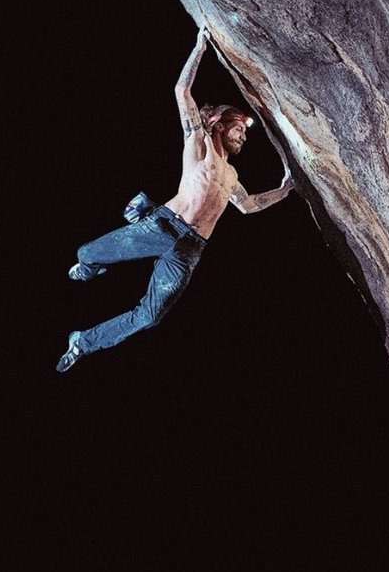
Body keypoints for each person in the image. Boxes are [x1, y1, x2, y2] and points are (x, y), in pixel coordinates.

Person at [57, 29, 293, 372]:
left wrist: (285, 189)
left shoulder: (232, 177)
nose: (243, 136)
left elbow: (249, 205)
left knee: (150, 316)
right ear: (219, 124)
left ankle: (82, 342)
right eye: (238, 129)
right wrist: (200, 47)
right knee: (87, 253)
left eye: (244, 132)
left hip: (189, 250)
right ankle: (89, 266)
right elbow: (182, 91)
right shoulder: (199, 143)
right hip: (163, 227)